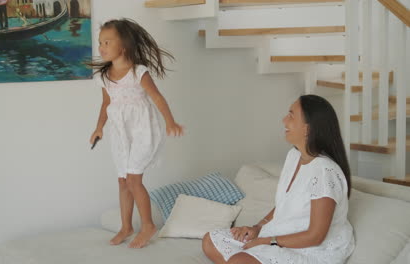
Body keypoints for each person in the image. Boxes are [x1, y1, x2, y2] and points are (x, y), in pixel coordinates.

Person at [202, 95, 355, 264]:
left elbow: (316, 236)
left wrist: (268, 241)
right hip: (281, 235)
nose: (284, 120)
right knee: (210, 240)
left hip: (312, 250)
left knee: (239, 261)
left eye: (291, 115)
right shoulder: (294, 156)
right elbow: (285, 204)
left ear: (307, 129)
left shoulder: (325, 172)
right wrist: (257, 228)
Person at [88, 18, 184, 249]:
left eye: (107, 42)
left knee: (133, 179)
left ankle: (148, 225)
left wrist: (170, 122)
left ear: (123, 46)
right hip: (121, 134)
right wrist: (99, 127)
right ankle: (126, 226)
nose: (101, 47)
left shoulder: (138, 72)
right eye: (100, 42)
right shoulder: (104, 76)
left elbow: (157, 98)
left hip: (143, 131)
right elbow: (106, 104)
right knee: (122, 181)